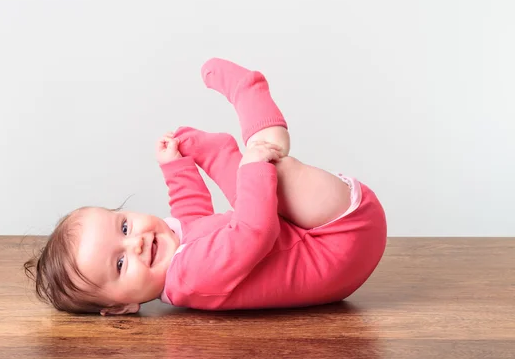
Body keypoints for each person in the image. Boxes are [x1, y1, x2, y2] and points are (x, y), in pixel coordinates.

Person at [24, 58, 387, 316]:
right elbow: (255, 231)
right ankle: (251, 95)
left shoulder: (179, 258)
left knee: (257, 185)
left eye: (123, 226)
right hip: (341, 241)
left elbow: (193, 218)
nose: (135, 243)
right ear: (121, 307)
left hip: (320, 240)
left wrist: (176, 166)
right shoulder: (190, 277)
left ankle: (223, 153)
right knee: (273, 173)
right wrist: (254, 167)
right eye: (119, 264)